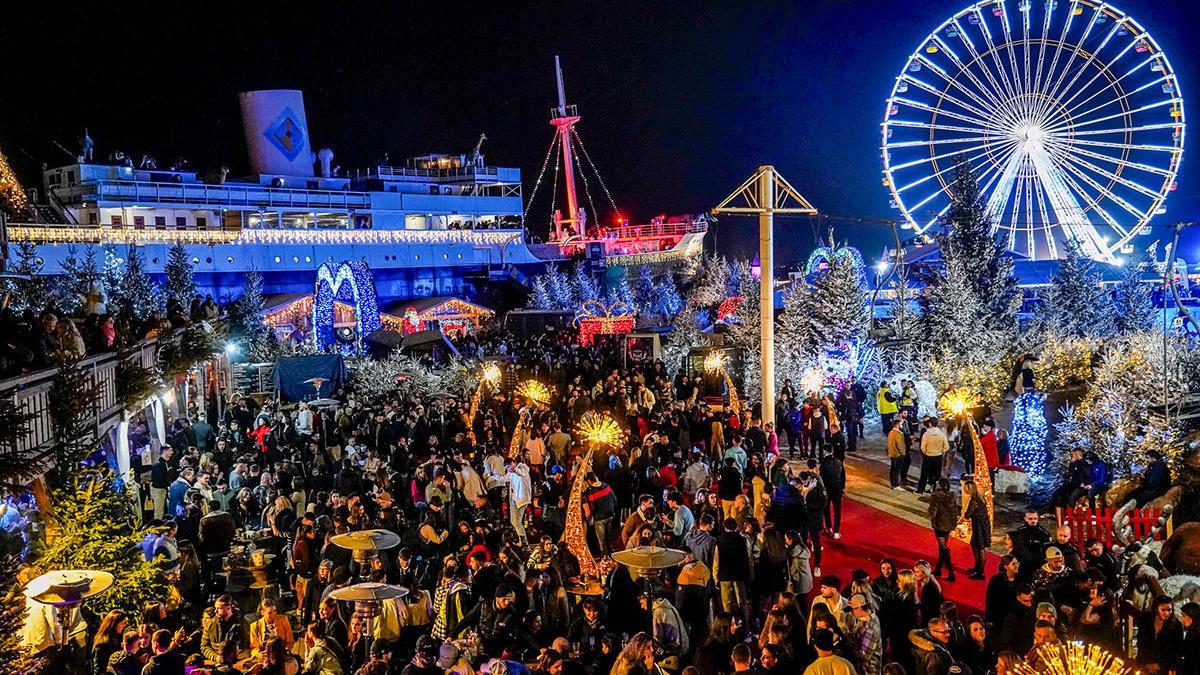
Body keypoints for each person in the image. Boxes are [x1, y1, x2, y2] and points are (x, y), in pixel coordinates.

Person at [927, 479, 958, 582]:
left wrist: (930, 515)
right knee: (942, 547)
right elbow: (954, 511)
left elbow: (933, 510)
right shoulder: (952, 496)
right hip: (948, 524)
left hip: (940, 523)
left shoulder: (936, 496)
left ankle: (951, 572)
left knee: (943, 548)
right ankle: (938, 568)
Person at [961, 480, 990, 580]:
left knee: (980, 547)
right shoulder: (980, 497)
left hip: (979, 526)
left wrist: (966, 513)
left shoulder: (974, 501)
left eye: (966, 488)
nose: (964, 490)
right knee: (975, 544)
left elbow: (967, 515)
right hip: (982, 525)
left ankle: (980, 572)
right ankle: (977, 567)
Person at [848, 594, 882, 675]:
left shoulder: (870, 628)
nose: (852, 612)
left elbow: (865, 655)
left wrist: (848, 645)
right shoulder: (866, 618)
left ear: (859, 608)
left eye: (853, 609)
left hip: (869, 671)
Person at [916, 419, 948, 495]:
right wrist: (941, 452)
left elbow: (922, 447)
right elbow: (946, 447)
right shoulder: (942, 434)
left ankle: (920, 490)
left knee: (924, 474)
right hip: (938, 457)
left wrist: (926, 452)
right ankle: (933, 490)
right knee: (936, 475)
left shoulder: (927, 434)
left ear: (930, 424)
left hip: (928, 456)